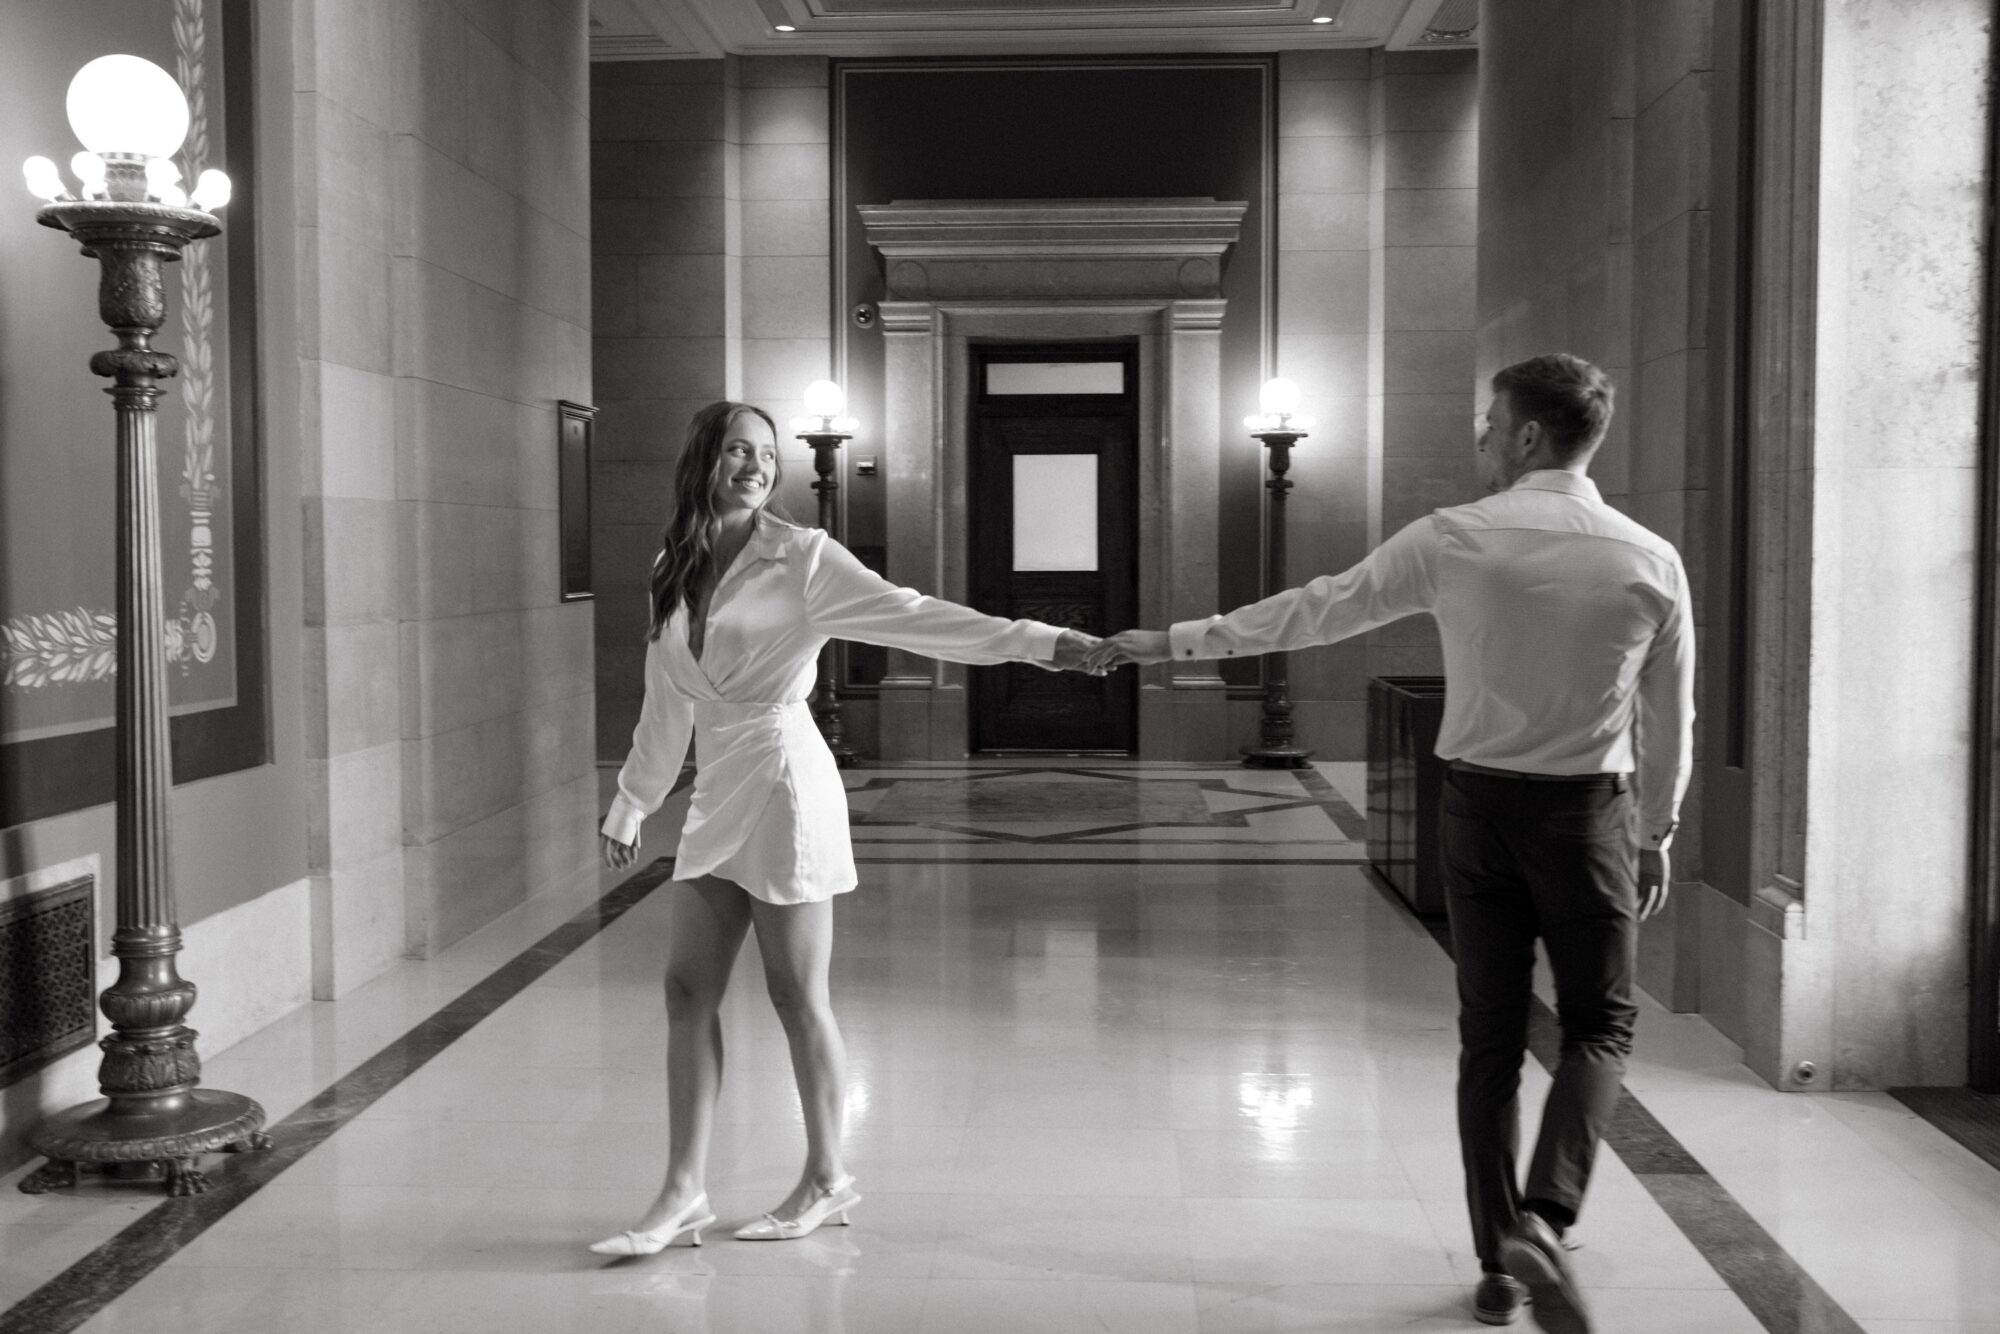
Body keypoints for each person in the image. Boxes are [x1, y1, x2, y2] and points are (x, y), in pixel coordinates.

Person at [1085, 354, 1694, 1334]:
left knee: (1489, 1038)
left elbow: (1315, 608)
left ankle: (1498, 1260)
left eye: (1488, 420)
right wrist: (1657, 832)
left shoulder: (1455, 538)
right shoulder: (1646, 558)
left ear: (1529, 434)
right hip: (1589, 814)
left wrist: (1169, 641)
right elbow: (1674, 715)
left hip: (1477, 809)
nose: (1480, 436)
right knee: (1597, 1025)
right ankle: (1545, 1215)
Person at [590, 400, 1101, 1257]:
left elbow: (917, 615)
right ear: (702, 462)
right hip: (718, 789)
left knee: (796, 997)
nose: (755, 466)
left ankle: (826, 1176)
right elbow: (665, 695)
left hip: (787, 783)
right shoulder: (671, 564)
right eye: (736, 451)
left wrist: (1044, 643)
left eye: (765, 454)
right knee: (686, 991)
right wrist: (634, 799)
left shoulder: (804, 557)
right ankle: (682, 1193)